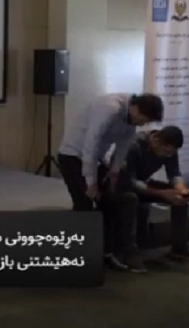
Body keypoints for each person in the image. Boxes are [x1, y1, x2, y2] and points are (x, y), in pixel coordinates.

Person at [57, 93, 164, 270]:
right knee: (85, 203)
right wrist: (91, 181)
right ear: (135, 109)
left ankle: (107, 253)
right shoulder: (109, 108)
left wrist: (114, 174)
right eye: (143, 120)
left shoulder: (130, 119)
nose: (142, 125)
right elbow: (91, 143)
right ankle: (79, 254)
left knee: (109, 201)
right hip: (72, 155)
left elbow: (122, 147)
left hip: (96, 158)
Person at [111, 126, 189, 272]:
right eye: (166, 152)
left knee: (179, 199)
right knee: (131, 198)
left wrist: (181, 188)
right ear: (156, 141)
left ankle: (179, 247)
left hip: (142, 183)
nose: (168, 155)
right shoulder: (133, 146)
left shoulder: (169, 148)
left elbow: (174, 172)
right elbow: (129, 181)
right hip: (120, 187)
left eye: (171, 153)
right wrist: (161, 193)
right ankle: (129, 252)